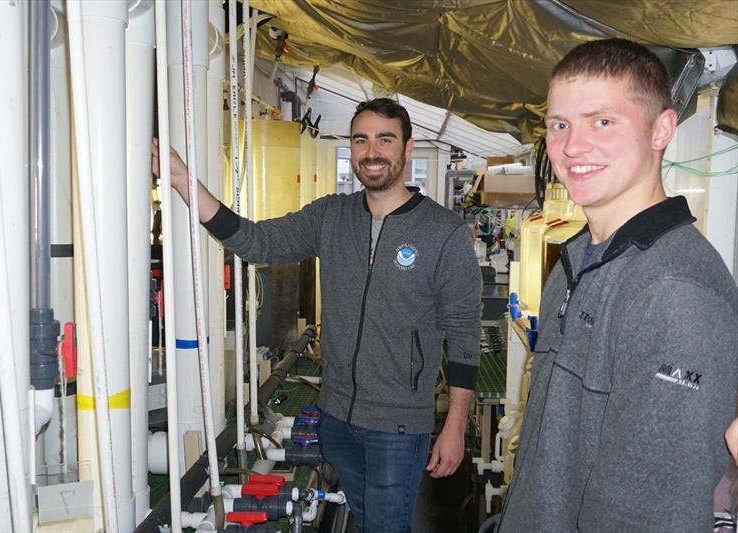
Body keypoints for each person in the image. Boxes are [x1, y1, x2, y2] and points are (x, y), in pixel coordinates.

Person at [152, 98, 482, 532]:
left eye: (385, 139)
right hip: (337, 418)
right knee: (365, 522)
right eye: (361, 140)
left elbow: (463, 332)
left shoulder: (445, 233)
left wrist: (455, 425)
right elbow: (257, 242)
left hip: (398, 425)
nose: (372, 151)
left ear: (407, 148)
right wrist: (182, 182)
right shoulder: (332, 215)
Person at [497, 38, 738, 532]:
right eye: (560, 124)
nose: (572, 146)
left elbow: (649, 514)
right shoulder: (578, 258)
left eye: (602, 121)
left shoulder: (675, 291)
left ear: (661, 130)